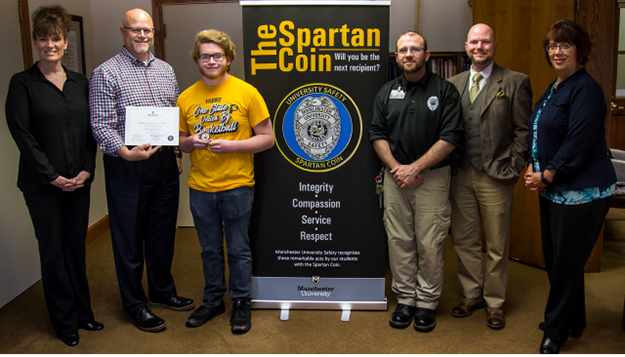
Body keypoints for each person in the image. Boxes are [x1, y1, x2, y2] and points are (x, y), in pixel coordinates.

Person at [89, 8, 193, 333]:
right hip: (127, 166)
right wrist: (124, 151)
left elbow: (173, 117)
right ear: (123, 32)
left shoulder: (166, 70)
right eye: (136, 30)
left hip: (163, 164)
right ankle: (135, 305)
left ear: (154, 33)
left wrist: (176, 153)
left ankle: (162, 291)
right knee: (129, 240)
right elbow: (101, 124)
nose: (142, 36)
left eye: (147, 30)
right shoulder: (105, 73)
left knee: (162, 234)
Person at [5, 5, 102, 347]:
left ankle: (83, 313)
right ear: (35, 42)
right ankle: (64, 322)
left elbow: (92, 131)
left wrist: (87, 170)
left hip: (79, 182)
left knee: (76, 247)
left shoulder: (81, 83)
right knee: (53, 252)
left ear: (65, 43)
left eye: (56, 38)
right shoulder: (22, 84)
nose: (50, 44)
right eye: (43, 38)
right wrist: (52, 176)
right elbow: (22, 135)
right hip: (41, 186)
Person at [524, 20, 616, 354]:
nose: (556, 51)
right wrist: (535, 167)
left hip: (582, 192)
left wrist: (547, 173)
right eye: (551, 46)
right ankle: (575, 320)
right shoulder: (556, 87)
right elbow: (541, 133)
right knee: (560, 259)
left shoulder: (586, 89)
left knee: (565, 264)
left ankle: (557, 330)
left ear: (580, 50)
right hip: (554, 190)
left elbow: (578, 141)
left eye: (564, 45)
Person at [177, 29, 274, 334]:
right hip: (200, 187)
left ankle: (241, 302)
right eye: (205, 55)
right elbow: (179, 143)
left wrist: (231, 145)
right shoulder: (185, 97)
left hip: (236, 185)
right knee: (209, 249)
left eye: (217, 55)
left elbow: (268, 139)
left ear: (228, 59)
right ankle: (213, 300)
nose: (211, 60)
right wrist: (190, 142)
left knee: (237, 248)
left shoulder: (247, 92)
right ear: (197, 59)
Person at [369, 31, 464, 332]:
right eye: (402, 50)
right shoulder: (386, 92)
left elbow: (451, 138)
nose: (408, 54)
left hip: (432, 177)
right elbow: (377, 133)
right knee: (398, 241)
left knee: (430, 241)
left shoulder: (445, 90)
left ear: (427, 54)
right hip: (395, 177)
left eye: (415, 49)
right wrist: (398, 168)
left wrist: (416, 167)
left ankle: (426, 302)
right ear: (396, 56)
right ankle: (406, 299)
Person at [447, 23, 532, 329]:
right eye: (474, 42)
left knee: (497, 243)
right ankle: (472, 294)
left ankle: (495, 301)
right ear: (466, 47)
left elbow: (524, 130)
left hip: (496, 175)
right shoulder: (453, 84)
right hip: (461, 175)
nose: (479, 47)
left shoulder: (515, 82)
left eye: (485, 42)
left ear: (494, 46)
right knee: (464, 240)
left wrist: (514, 165)